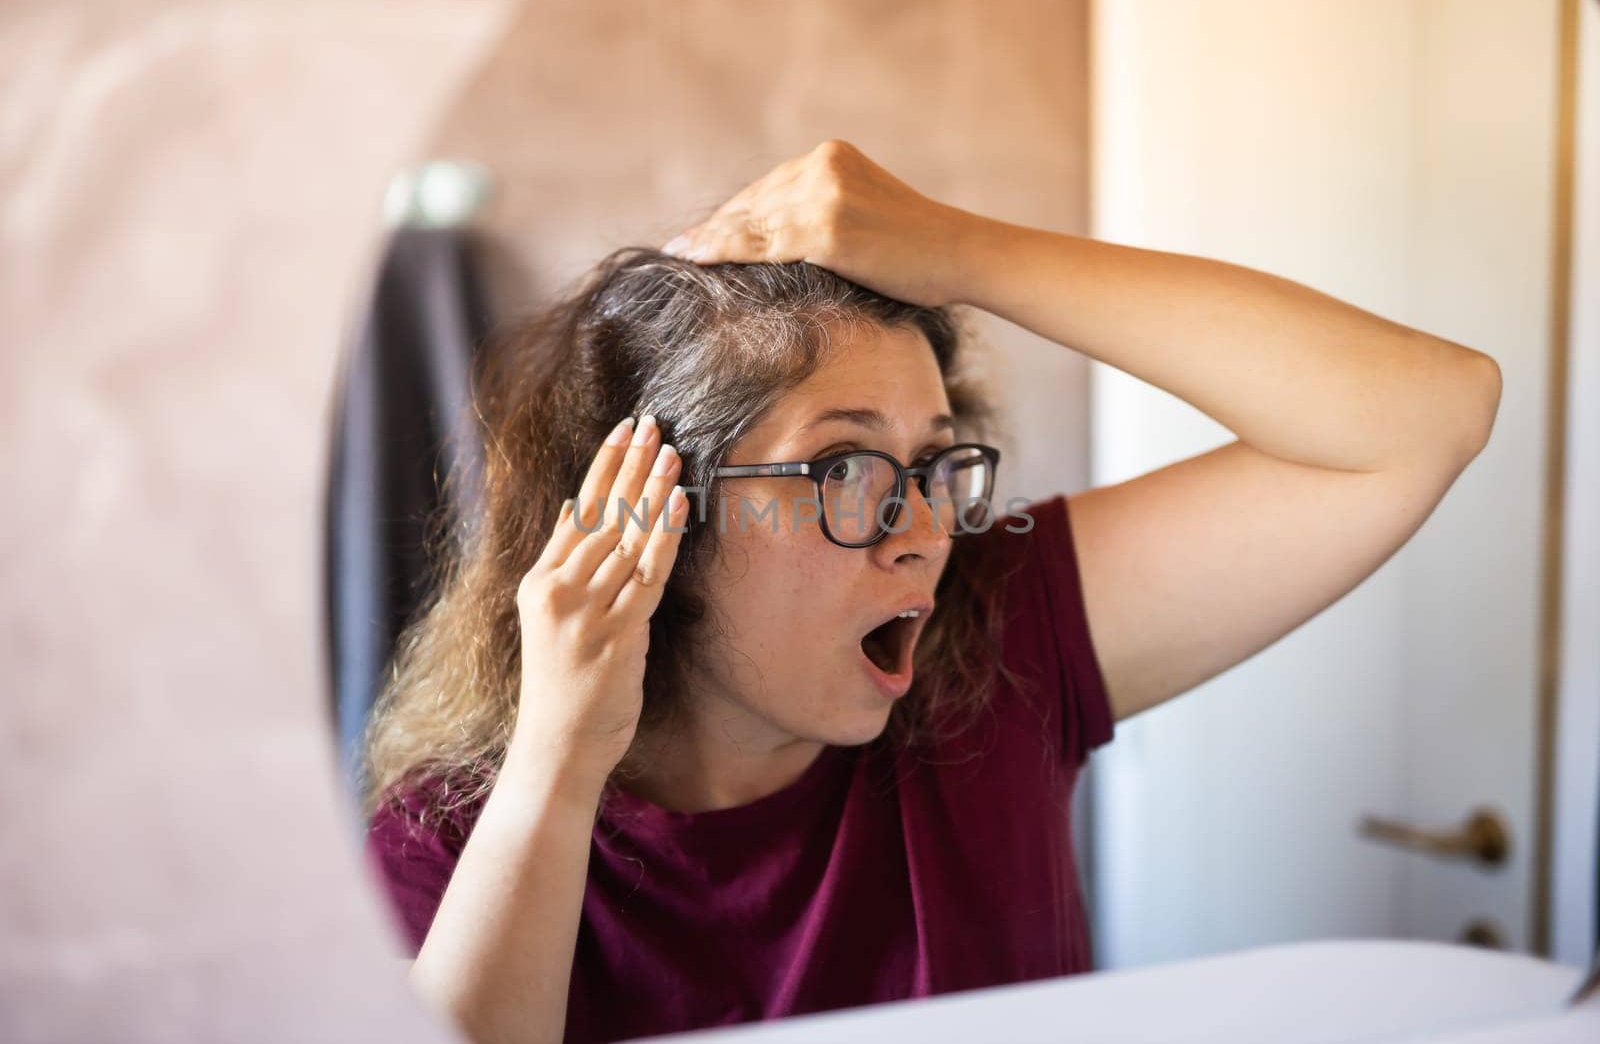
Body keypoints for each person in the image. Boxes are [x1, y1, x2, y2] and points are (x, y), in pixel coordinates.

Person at [361, 140, 1502, 1044]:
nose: (921, 535)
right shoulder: (450, 839)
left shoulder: (996, 644)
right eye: (845, 469)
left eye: (935, 465)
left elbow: (1425, 416)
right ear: (661, 524)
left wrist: (964, 251)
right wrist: (559, 766)